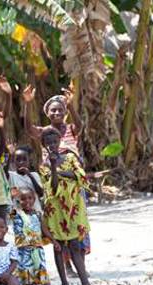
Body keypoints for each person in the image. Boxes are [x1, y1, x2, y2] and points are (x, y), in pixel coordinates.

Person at [23, 86, 90, 275]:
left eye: (60, 109)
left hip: (74, 184)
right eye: (53, 110)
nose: (57, 112)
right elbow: (28, 128)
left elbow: (80, 125)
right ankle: (67, 266)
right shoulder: (45, 132)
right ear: (47, 113)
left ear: (65, 112)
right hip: (54, 184)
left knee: (77, 221)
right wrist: (28, 103)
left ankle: (81, 267)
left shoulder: (71, 129)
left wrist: (71, 105)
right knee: (60, 222)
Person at [40, 128, 105, 285]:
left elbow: (81, 176)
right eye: (48, 143)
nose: (52, 145)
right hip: (56, 210)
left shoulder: (70, 156)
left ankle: (85, 284)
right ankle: (65, 284)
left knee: (76, 245)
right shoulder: (44, 166)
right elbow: (53, 188)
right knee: (58, 247)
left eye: (54, 142)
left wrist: (61, 172)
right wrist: (55, 168)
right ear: (44, 146)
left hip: (74, 207)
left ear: (60, 140)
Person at [12, 188, 58, 285]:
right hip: (23, 249)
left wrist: (53, 241)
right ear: (19, 200)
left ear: (34, 199)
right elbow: (8, 207)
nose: (27, 201)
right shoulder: (16, 213)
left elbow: (44, 229)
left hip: (37, 248)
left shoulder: (38, 214)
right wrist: (12, 197)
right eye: (23, 199)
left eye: (30, 198)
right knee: (26, 271)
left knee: (41, 269)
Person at [9, 147, 44, 213]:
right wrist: (9, 156)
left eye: (24, 159)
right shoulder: (11, 175)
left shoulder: (34, 175)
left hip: (35, 211)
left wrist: (30, 176)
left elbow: (41, 193)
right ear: (13, 162)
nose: (21, 162)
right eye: (18, 160)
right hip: (16, 212)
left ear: (29, 161)